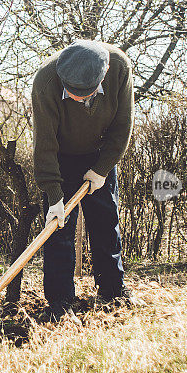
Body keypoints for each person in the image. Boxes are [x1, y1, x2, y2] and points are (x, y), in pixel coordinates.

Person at [30, 40, 135, 321]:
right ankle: (60, 302)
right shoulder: (45, 81)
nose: (78, 99)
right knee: (58, 232)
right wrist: (54, 194)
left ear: (103, 75)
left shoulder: (119, 67)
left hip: (99, 155)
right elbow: (44, 144)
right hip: (61, 158)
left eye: (84, 94)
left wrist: (101, 169)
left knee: (105, 223)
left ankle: (113, 291)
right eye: (72, 93)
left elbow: (122, 126)